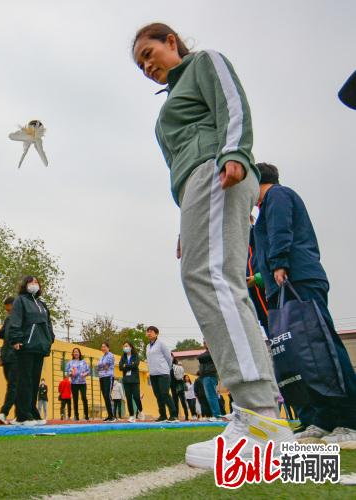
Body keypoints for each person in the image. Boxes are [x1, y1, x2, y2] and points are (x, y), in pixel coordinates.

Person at [132, 23, 293, 468]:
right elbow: (176, 166)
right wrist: (186, 222)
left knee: (215, 281)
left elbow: (233, 104)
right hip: (196, 189)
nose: (147, 65)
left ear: (172, 42)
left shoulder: (205, 62)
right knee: (205, 279)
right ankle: (256, 413)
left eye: (150, 52)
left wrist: (237, 153)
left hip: (217, 170)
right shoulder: (168, 104)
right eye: (140, 63)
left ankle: (262, 418)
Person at [254, 162, 356, 447]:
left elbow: (281, 229)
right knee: (301, 358)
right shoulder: (263, 209)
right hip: (282, 286)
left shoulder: (278, 195)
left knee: (323, 349)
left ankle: (350, 418)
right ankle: (321, 419)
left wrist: (279, 263)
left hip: (298, 279)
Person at [8, 276, 55, 426]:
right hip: (26, 345)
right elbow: (15, 320)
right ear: (25, 285)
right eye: (31, 282)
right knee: (25, 380)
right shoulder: (20, 300)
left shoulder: (42, 305)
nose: (34, 284)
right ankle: (22, 414)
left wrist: (50, 339)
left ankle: (31, 410)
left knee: (35, 380)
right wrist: (16, 339)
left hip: (40, 347)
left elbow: (48, 323)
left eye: (36, 282)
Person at [145, 326, 178, 422]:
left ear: (156, 333)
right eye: (147, 331)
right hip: (153, 374)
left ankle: (174, 415)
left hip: (163, 373)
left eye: (151, 331)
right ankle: (163, 415)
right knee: (158, 395)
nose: (149, 333)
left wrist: (167, 369)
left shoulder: (161, 344)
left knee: (164, 393)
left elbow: (169, 358)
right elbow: (149, 360)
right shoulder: (147, 346)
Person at [0, 297, 17, 425]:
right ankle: (20, 415)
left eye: (10, 309)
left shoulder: (21, 318)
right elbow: (4, 336)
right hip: (6, 356)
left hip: (16, 358)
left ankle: (4, 412)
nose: (8, 312)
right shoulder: (8, 319)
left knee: (13, 386)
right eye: (6, 310)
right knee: (14, 387)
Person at [197, 345, 223, 422]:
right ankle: (216, 415)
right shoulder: (209, 354)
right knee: (211, 396)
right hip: (208, 376)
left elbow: (199, 357)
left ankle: (217, 416)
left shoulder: (212, 352)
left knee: (211, 396)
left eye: (206, 342)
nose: (204, 343)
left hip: (209, 376)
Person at [119, 341, 143, 422]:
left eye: (127, 346)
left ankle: (141, 411)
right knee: (128, 398)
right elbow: (120, 367)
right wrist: (128, 366)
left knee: (136, 397)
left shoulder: (135, 355)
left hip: (135, 380)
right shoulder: (123, 357)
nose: (125, 347)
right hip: (126, 380)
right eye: (124, 346)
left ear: (131, 347)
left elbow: (135, 365)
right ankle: (132, 415)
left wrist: (126, 365)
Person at [66, 348, 89, 421]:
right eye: (74, 352)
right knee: (75, 400)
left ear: (79, 353)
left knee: (84, 398)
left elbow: (88, 371)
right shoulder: (70, 363)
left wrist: (85, 374)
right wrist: (70, 374)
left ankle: (86, 416)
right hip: (74, 384)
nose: (76, 353)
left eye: (77, 352)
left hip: (82, 383)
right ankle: (76, 416)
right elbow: (67, 373)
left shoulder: (84, 362)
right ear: (72, 354)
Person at [96, 342, 116, 422]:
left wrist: (101, 367)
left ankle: (112, 416)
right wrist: (101, 367)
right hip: (102, 377)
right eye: (102, 347)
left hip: (108, 377)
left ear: (108, 347)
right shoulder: (101, 357)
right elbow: (97, 368)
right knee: (105, 396)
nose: (103, 348)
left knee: (107, 395)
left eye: (104, 347)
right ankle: (109, 415)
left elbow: (107, 367)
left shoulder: (110, 355)